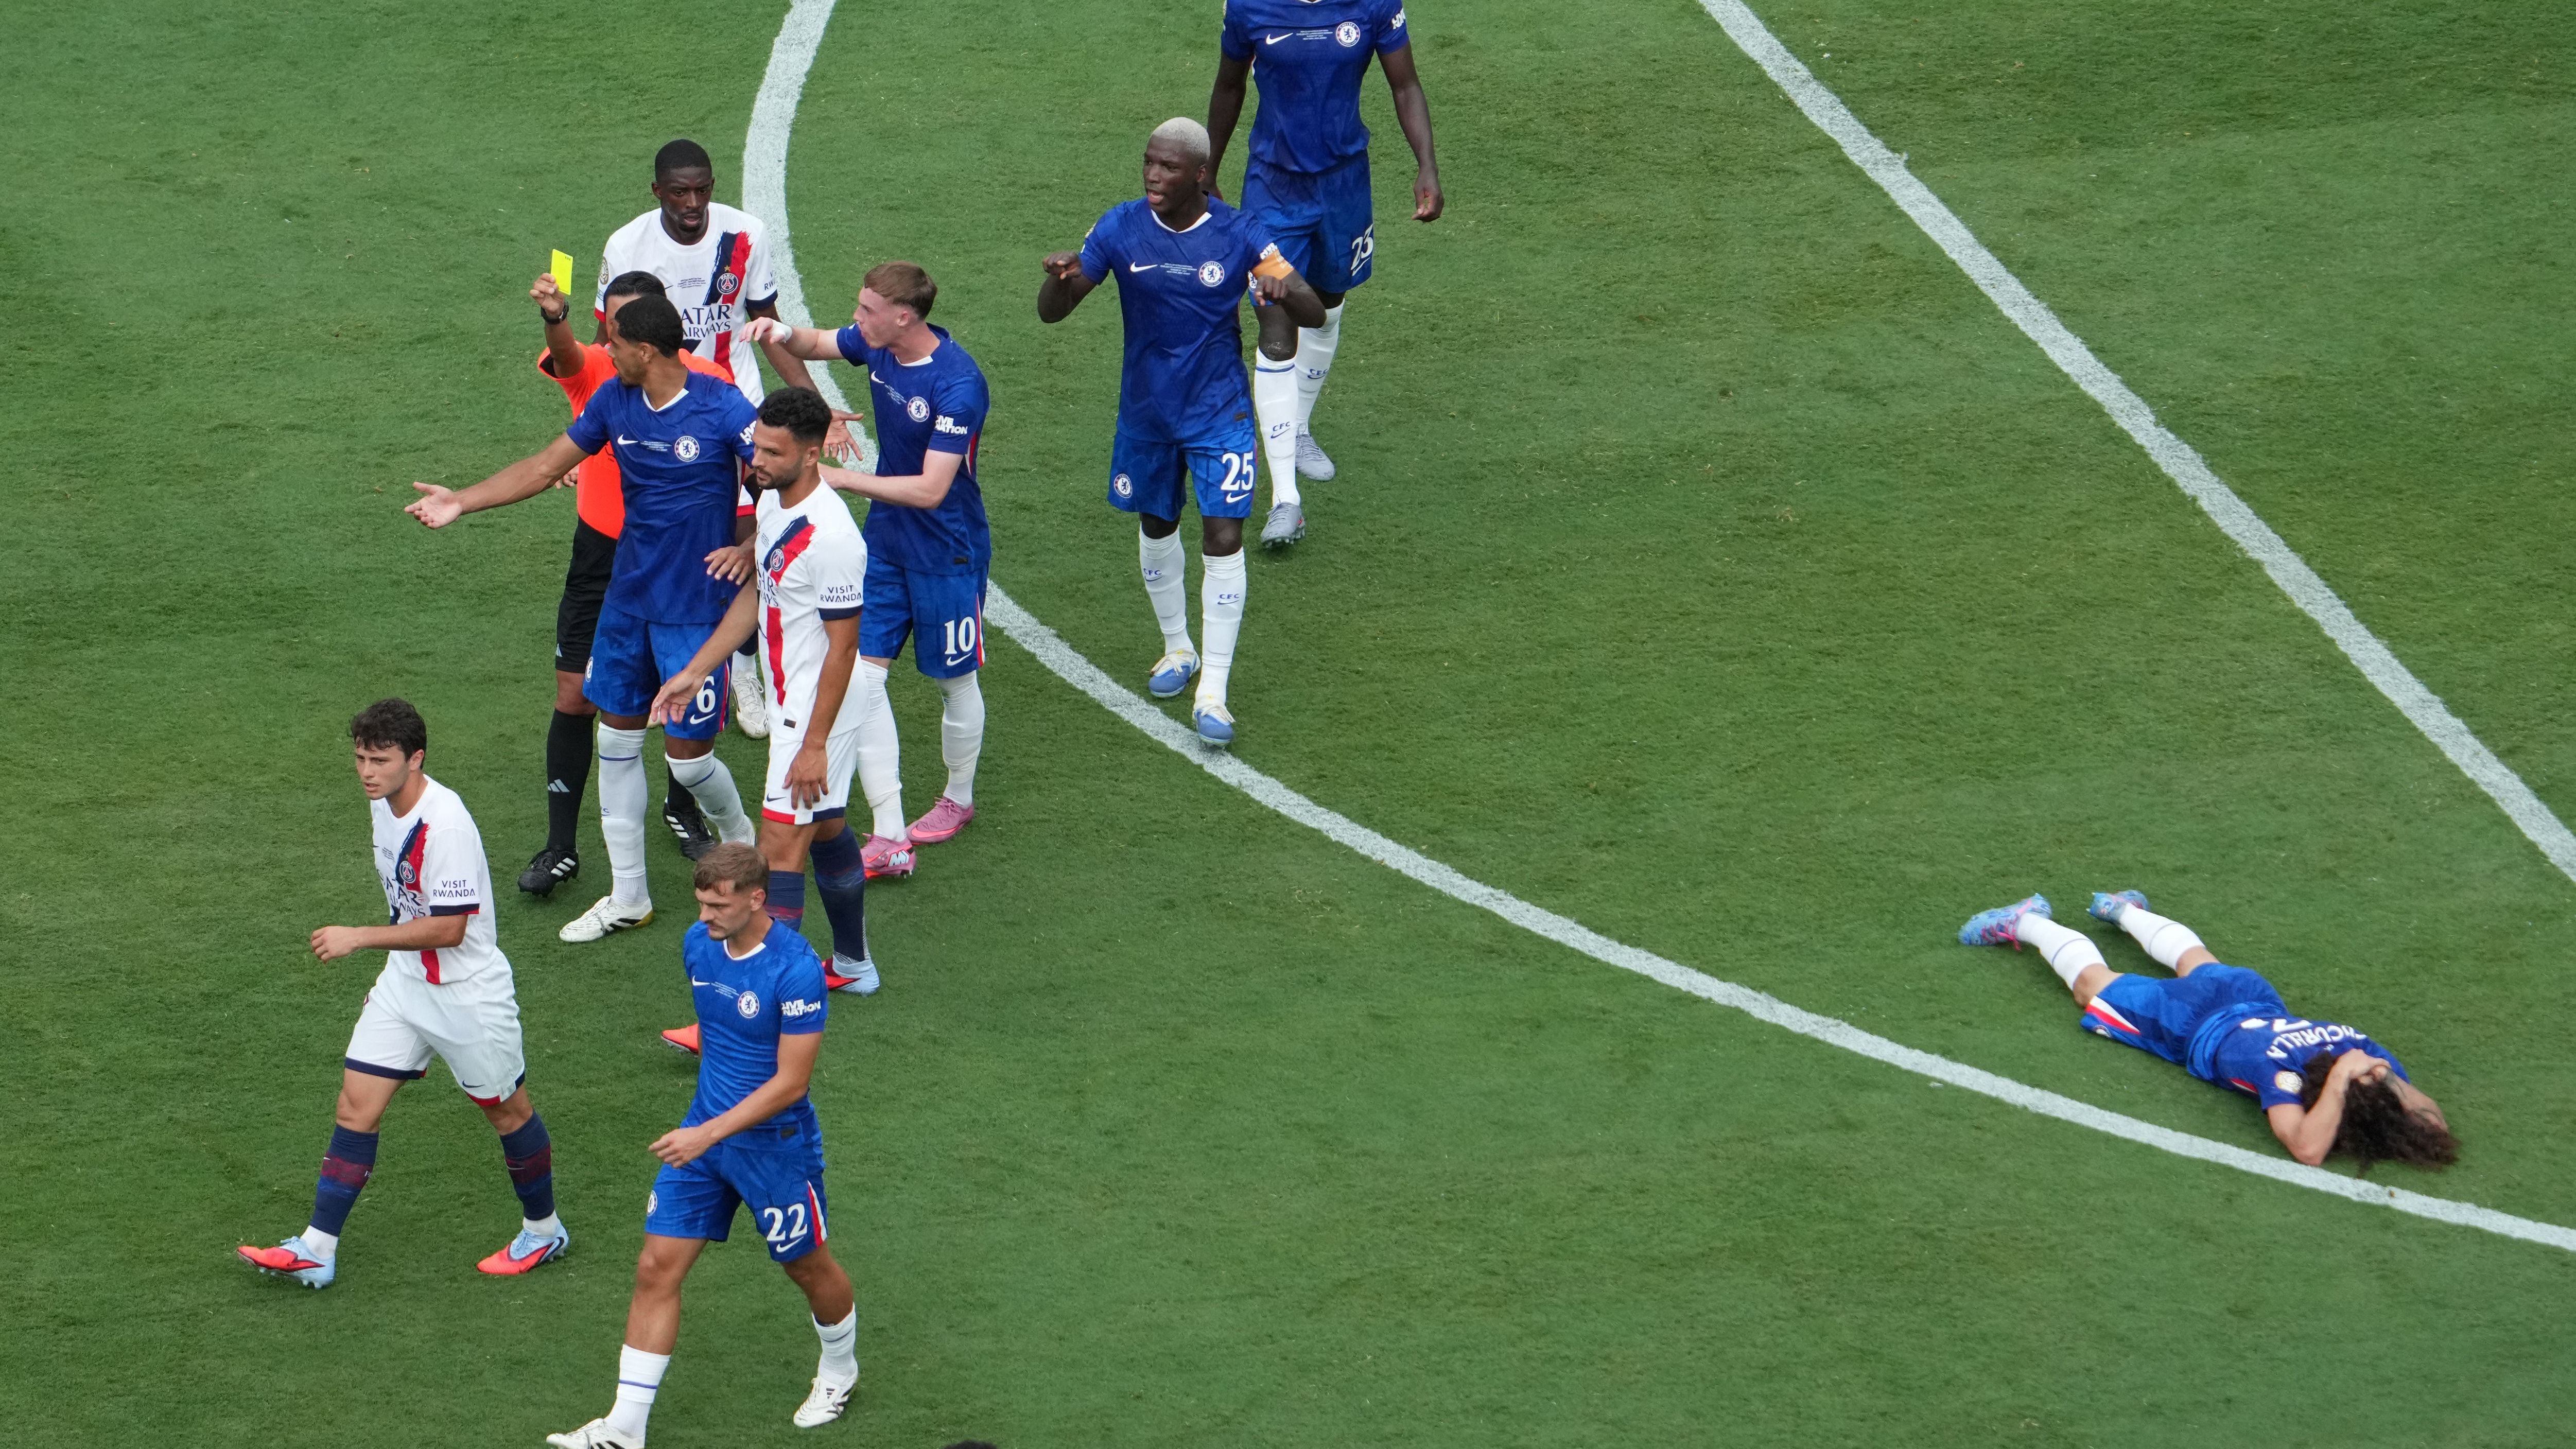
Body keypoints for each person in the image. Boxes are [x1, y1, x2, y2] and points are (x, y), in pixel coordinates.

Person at [407, 294, 761, 945]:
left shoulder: (721, 406)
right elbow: (546, 467)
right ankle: (630, 896)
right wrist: (463, 500)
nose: (608, 350)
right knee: (616, 743)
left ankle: (744, 844)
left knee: (686, 765)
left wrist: (750, 545)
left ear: (645, 351)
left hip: (695, 608)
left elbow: (784, 475)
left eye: (615, 341)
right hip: (627, 601)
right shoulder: (615, 401)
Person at [236, 700, 567, 1288]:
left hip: (467, 995)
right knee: (354, 1106)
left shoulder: (446, 825)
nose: (367, 771)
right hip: (406, 983)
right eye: (361, 758)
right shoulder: (384, 806)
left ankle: (544, 1231)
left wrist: (359, 937)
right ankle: (318, 1247)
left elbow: (450, 927)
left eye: (381, 760)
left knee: (508, 1112)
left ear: (416, 759)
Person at [545, 844, 859, 1447]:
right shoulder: (698, 943)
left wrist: (708, 1132)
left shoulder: (795, 970)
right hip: (705, 1138)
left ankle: (840, 1369)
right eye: (701, 901)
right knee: (655, 1267)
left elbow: (791, 1082)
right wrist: (707, 1126)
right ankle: (624, 1428)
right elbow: (719, 1039)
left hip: (774, 1148)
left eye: (719, 904)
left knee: (806, 1264)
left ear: (757, 898)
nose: (706, 914)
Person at [1037, 118, 1325, 746]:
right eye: (1148, 162)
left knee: (1223, 535)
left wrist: (1281, 289)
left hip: (1218, 412)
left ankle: (1214, 691)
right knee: (1156, 525)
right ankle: (1177, 649)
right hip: (1146, 414)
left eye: (1168, 167)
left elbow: (1313, 309)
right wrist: (1055, 279)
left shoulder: (1242, 233)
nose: (1152, 175)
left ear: (1200, 174)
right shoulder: (1119, 226)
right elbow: (1053, 313)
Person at [648, 388, 881, 1060]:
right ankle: (855, 965)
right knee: (829, 826)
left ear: (813, 455)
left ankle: (748, 1017)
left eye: (773, 453)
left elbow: (844, 647)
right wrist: (698, 668)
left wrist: (812, 744)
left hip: (819, 710)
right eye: (756, 446)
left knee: (778, 858)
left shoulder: (835, 537)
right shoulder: (776, 502)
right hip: (795, 705)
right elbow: (760, 591)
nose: (757, 460)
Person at [596, 138, 841, 744]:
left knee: (749, 542)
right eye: (680, 192)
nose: (694, 203)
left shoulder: (745, 235)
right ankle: (720, 666)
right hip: (661, 411)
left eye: (703, 188)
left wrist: (816, 410)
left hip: (732, 408)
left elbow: (767, 326)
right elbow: (608, 346)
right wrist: (596, 445)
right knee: (704, 548)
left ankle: (746, 671)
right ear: (657, 192)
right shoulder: (627, 246)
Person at [750, 261, 991, 877]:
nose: (856, 320)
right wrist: (776, 331)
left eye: (866, 311)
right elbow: (818, 342)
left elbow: (934, 489)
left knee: (952, 680)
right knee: (862, 676)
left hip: (948, 550)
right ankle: (889, 834)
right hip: (884, 543)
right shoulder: (876, 342)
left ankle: (958, 799)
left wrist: (834, 477)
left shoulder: (958, 385)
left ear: (903, 317)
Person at [1959, 890, 2458, 1169]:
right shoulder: (2319, 1066)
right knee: (2110, 983)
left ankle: (2115, 911)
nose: (2383, 1072)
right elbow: (2415, 1119)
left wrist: (2354, 1072)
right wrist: (2358, 1075)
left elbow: (2317, 1144)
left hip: (2228, 1005)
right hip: (2214, 1013)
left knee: (2184, 964)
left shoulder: (2322, 1060)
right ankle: (2040, 920)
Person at [521, 268, 738, 896]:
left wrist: (748, 545)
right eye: (607, 324)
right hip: (607, 562)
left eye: (622, 329)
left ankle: (694, 813)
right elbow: (563, 375)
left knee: (681, 722)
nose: (609, 340)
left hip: (687, 570)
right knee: (582, 700)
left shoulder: (714, 391)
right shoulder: (604, 378)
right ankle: (576, 855)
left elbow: (757, 473)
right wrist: (555, 317)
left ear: (653, 335)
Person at [1206, 0, 1440, 547]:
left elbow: (1405, 86)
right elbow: (1229, 88)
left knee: (1328, 306)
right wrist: (1208, 169)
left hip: (1343, 186)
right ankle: (1286, 499)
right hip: (1272, 192)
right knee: (1277, 320)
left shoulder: (1373, 4)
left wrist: (1426, 165)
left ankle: (1300, 424)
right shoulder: (1249, 7)